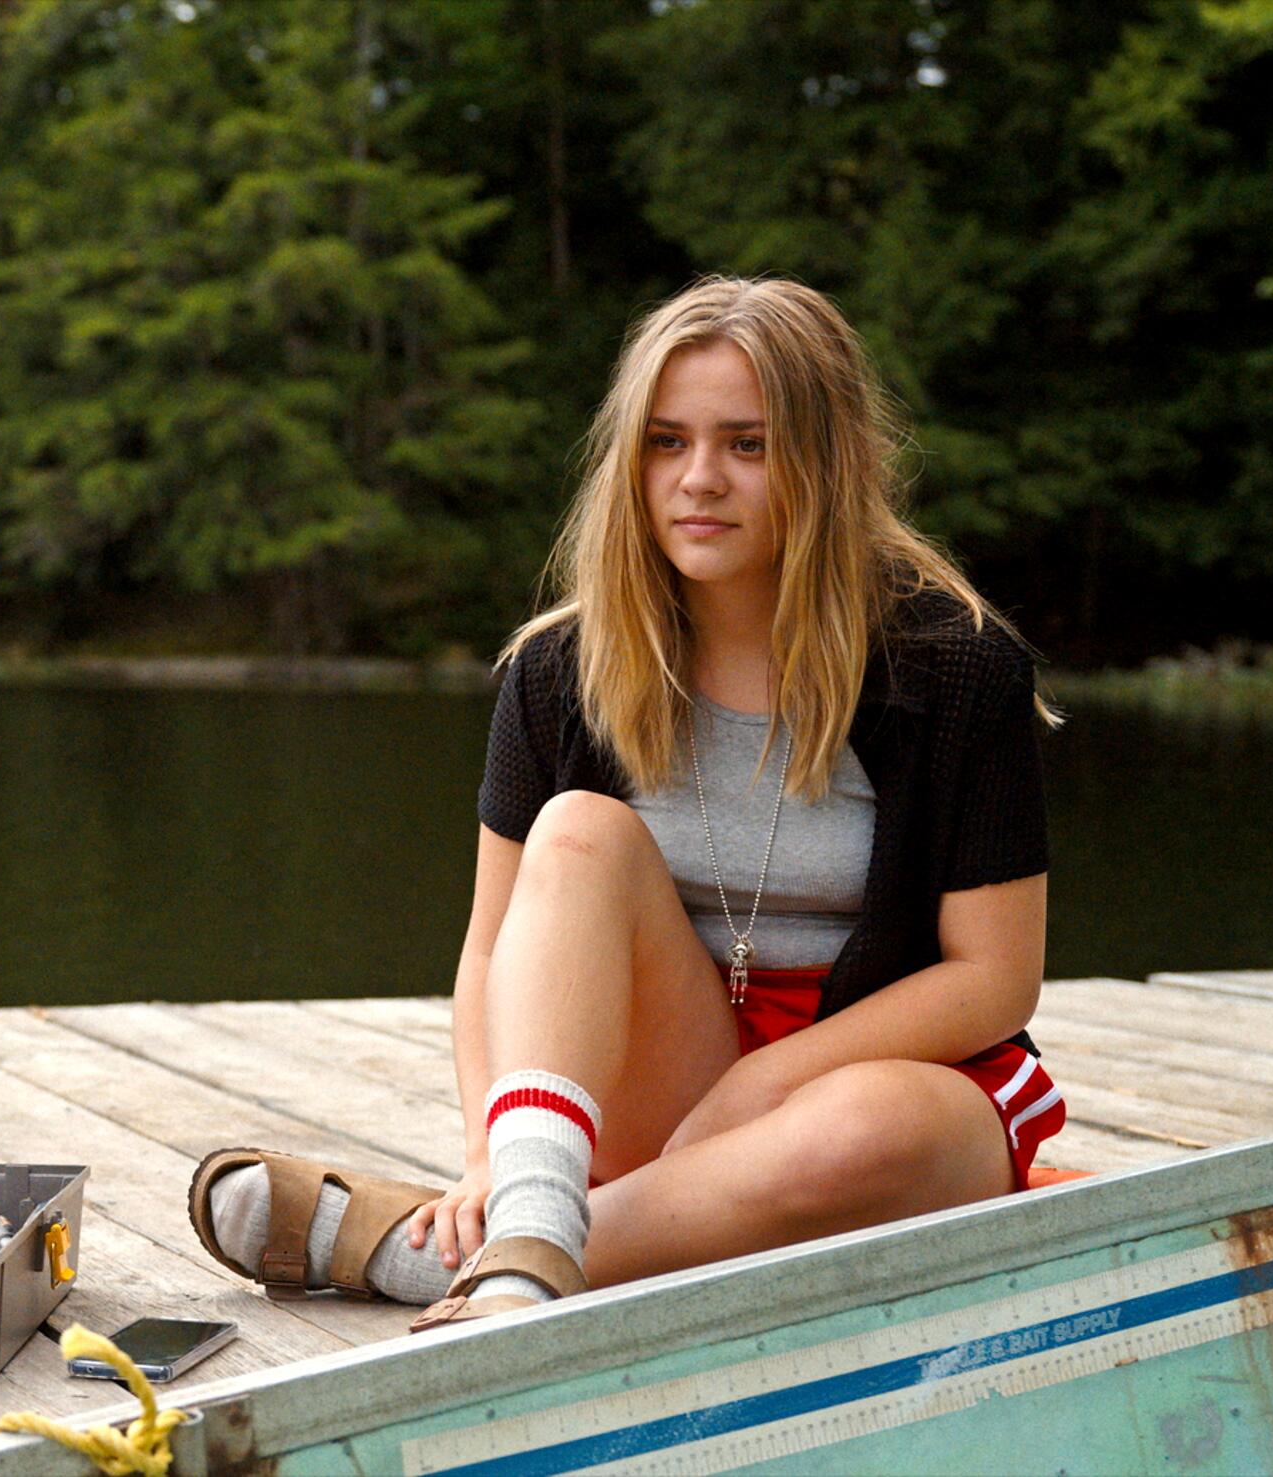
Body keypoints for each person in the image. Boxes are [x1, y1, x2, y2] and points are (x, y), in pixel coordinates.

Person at [188, 275, 1065, 1330]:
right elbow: (486, 953)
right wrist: (485, 1158)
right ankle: (524, 1217)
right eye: (665, 442)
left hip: (875, 1077)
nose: (699, 479)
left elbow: (992, 977)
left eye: (747, 444)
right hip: (647, 1062)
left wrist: (759, 1086)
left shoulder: (956, 665)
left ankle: (434, 1251)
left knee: (856, 1135)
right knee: (577, 831)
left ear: (823, 460)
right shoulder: (559, 669)